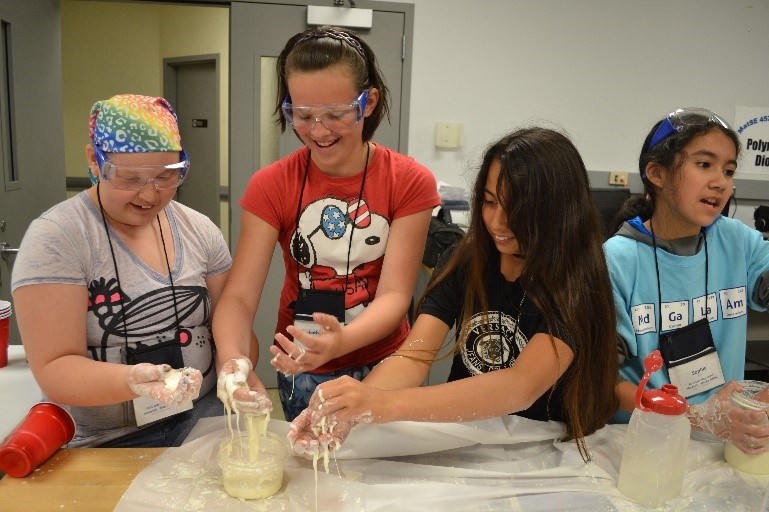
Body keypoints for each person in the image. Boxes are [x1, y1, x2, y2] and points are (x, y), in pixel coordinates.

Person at [288, 127, 620, 462]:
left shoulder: (577, 282)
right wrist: (351, 408)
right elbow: (414, 356)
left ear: (557, 213)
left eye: (517, 209)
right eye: (490, 203)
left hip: (544, 447)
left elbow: (521, 387)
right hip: (467, 437)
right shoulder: (467, 261)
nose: (498, 222)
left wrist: (380, 404)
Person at [213, 26, 440, 422]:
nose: (317, 131)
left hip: (386, 364)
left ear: (368, 102)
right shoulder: (272, 184)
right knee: (315, 473)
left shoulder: (408, 180)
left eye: (335, 115)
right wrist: (233, 361)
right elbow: (238, 298)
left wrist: (342, 341)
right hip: (304, 367)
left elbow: (394, 295)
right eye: (302, 115)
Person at [11, 94, 235, 447]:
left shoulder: (200, 229)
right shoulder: (59, 237)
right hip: (107, 441)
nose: (150, 194)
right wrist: (132, 380)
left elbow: (231, 322)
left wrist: (236, 368)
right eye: (130, 179)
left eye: (167, 176)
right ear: (94, 162)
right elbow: (54, 367)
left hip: (203, 422)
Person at [605, 107, 769, 454]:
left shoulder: (738, 242)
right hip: (643, 444)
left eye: (728, 170)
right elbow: (599, 380)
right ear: (657, 173)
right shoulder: (618, 260)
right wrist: (694, 415)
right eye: (704, 164)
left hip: (726, 442)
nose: (721, 182)